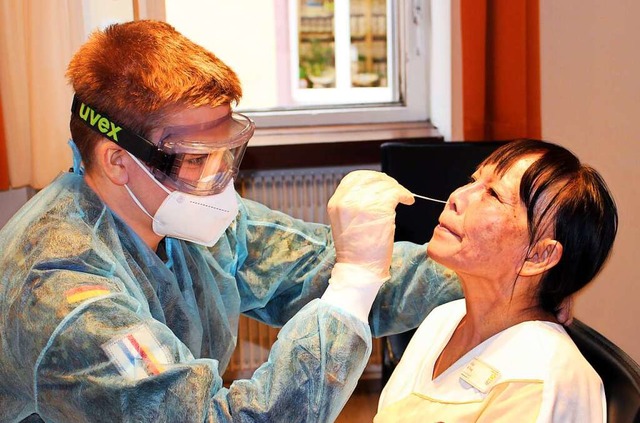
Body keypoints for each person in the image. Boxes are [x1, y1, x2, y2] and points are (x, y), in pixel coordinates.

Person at [0, 20, 463, 422]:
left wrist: (480, 261)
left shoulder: (182, 218)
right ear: (119, 161)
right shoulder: (58, 293)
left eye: (227, 151)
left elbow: (317, 269)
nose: (221, 178)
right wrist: (354, 281)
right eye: (198, 158)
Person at [375, 139, 618, 422]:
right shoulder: (444, 319)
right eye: (473, 180)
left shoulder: (541, 381)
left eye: (493, 194)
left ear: (538, 256)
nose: (456, 196)